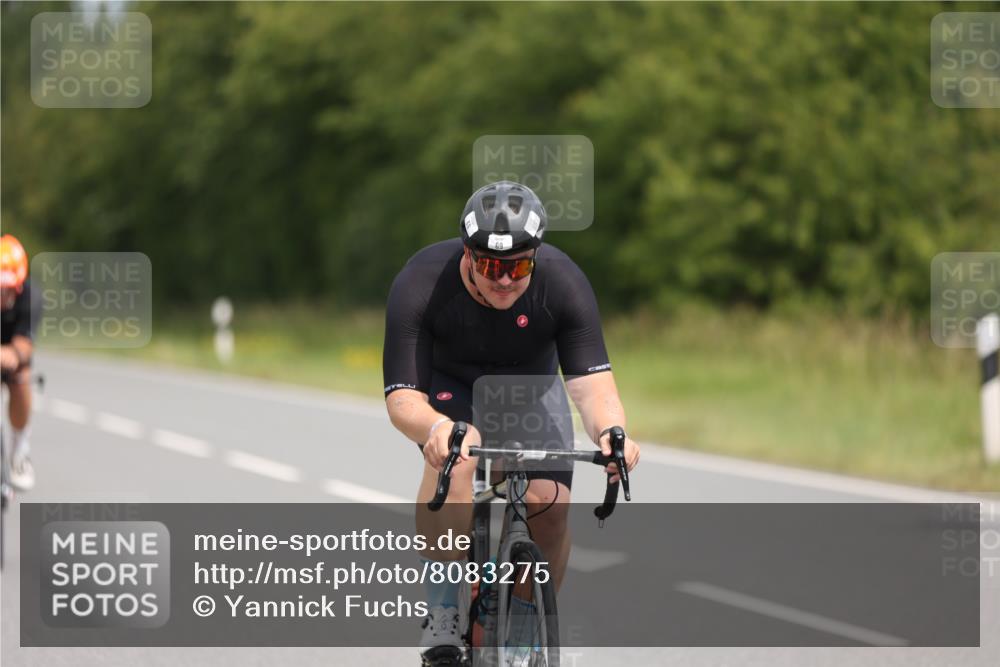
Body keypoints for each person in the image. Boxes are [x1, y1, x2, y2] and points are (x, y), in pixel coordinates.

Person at [382, 181, 640, 665]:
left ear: (536, 257)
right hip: (448, 391)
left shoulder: (564, 282)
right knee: (456, 463)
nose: (504, 280)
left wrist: (611, 432)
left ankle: (525, 623)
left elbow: (592, 385)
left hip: (529, 393)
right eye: (491, 266)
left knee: (552, 502)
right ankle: (442, 613)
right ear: (468, 253)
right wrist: (438, 430)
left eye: (518, 266)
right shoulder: (421, 280)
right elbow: (403, 400)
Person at [1, 234, 39, 491]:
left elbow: (25, 345)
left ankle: (19, 451)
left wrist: (12, 355)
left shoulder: (31, 297)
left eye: (7, 288)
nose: (2, 295)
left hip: (11, 357)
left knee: (22, 375)